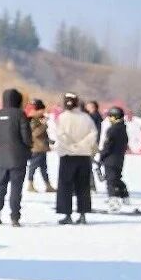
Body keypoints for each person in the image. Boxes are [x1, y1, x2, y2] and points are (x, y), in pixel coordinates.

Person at [0, 88, 32, 226]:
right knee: (16, 187)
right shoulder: (20, 115)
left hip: (3, 157)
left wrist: (1, 142)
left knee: (1, 185)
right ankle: (14, 217)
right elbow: (26, 137)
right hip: (19, 156)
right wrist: (27, 147)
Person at [55, 92, 98, 224]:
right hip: (83, 156)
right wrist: (82, 145)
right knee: (83, 186)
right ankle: (83, 214)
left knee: (65, 186)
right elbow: (93, 134)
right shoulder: (86, 118)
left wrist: (70, 146)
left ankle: (67, 214)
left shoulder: (62, 118)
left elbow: (60, 135)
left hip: (67, 155)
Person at [99, 105, 130, 211]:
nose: (109, 119)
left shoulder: (112, 130)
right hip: (120, 158)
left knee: (111, 180)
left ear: (115, 117)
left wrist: (102, 156)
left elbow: (108, 146)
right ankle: (124, 195)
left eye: (110, 117)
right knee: (117, 178)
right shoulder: (123, 128)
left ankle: (114, 200)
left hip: (110, 158)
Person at [26, 99, 55, 193]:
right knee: (33, 167)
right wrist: (44, 125)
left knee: (44, 168)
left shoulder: (40, 118)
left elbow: (43, 135)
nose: (44, 112)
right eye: (42, 110)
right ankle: (30, 185)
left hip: (42, 148)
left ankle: (48, 185)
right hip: (36, 148)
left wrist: (49, 141)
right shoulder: (33, 120)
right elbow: (34, 134)